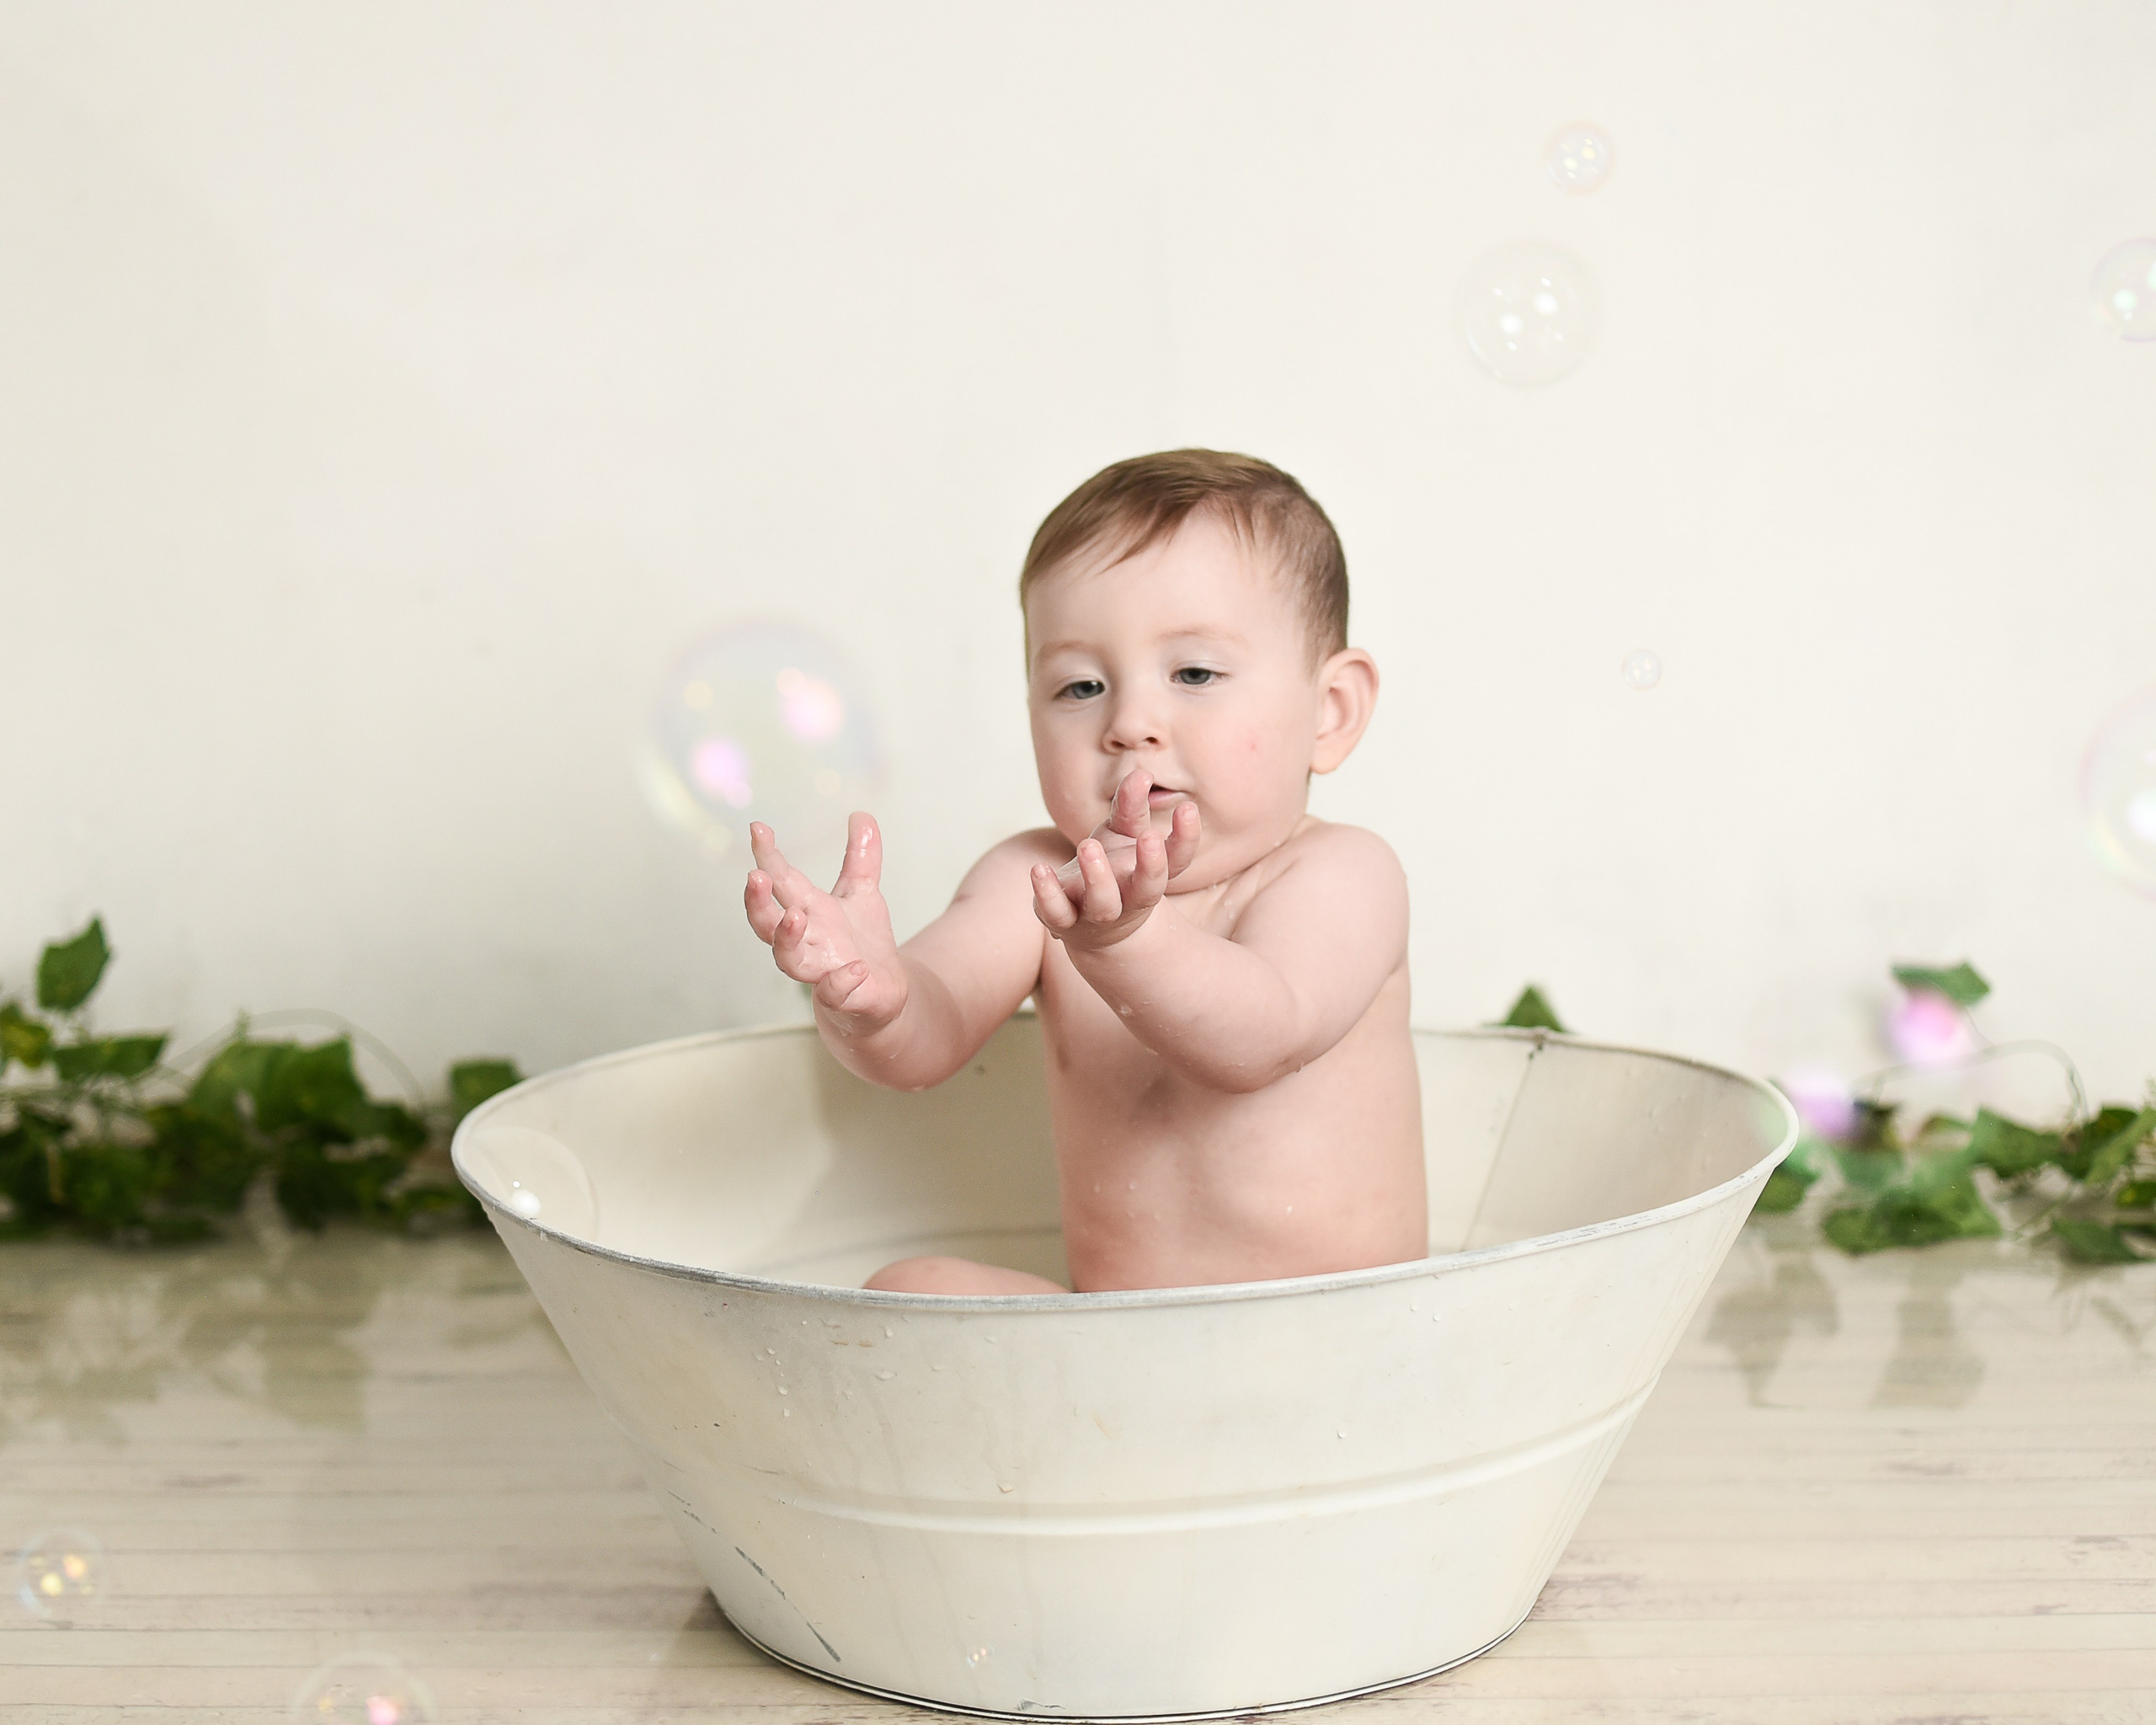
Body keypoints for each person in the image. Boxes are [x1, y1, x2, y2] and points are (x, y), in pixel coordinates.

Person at [743, 450, 1424, 1293]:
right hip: (1112, 1359)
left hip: (1336, 1345)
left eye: (1195, 673)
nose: (1129, 721)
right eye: (1080, 686)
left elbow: (1260, 1035)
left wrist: (1127, 941)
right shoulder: (1036, 878)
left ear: (1331, 711)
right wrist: (871, 999)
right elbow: (928, 1036)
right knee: (911, 1290)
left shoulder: (1340, 872)